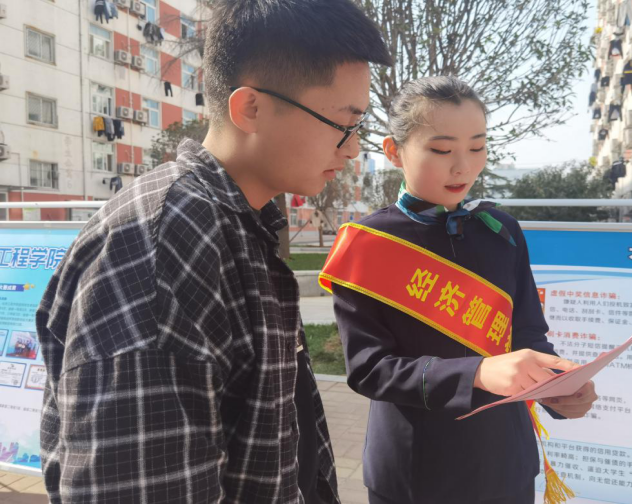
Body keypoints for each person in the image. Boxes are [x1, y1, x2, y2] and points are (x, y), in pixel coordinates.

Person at [35, 1, 392, 503]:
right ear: (251, 108)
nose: (353, 148)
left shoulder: (236, 223)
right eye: (343, 123)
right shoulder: (165, 246)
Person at [319, 76, 598, 504]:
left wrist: (557, 387)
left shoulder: (502, 231)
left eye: (478, 147)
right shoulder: (368, 244)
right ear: (393, 151)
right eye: (442, 150)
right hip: (416, 469)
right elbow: (369, 368)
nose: (463, 167)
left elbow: (526, 333)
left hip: (504, 460)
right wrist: (477, 373)